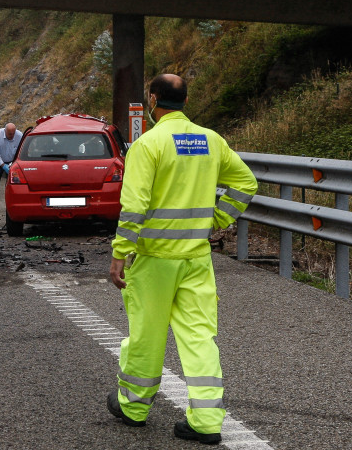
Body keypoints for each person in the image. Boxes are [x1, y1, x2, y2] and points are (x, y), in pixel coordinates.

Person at [106, 74, 258, 445]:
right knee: (199, 337)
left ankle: (134, 407)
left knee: (146, 335)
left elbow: (135, 205)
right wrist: (218, 219)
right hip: (196, 258)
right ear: (185, 100)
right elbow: (246, 183)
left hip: (155, 260)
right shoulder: (211, 140)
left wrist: (120, 253)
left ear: (153, 100)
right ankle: (206, 421)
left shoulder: (148, 144)